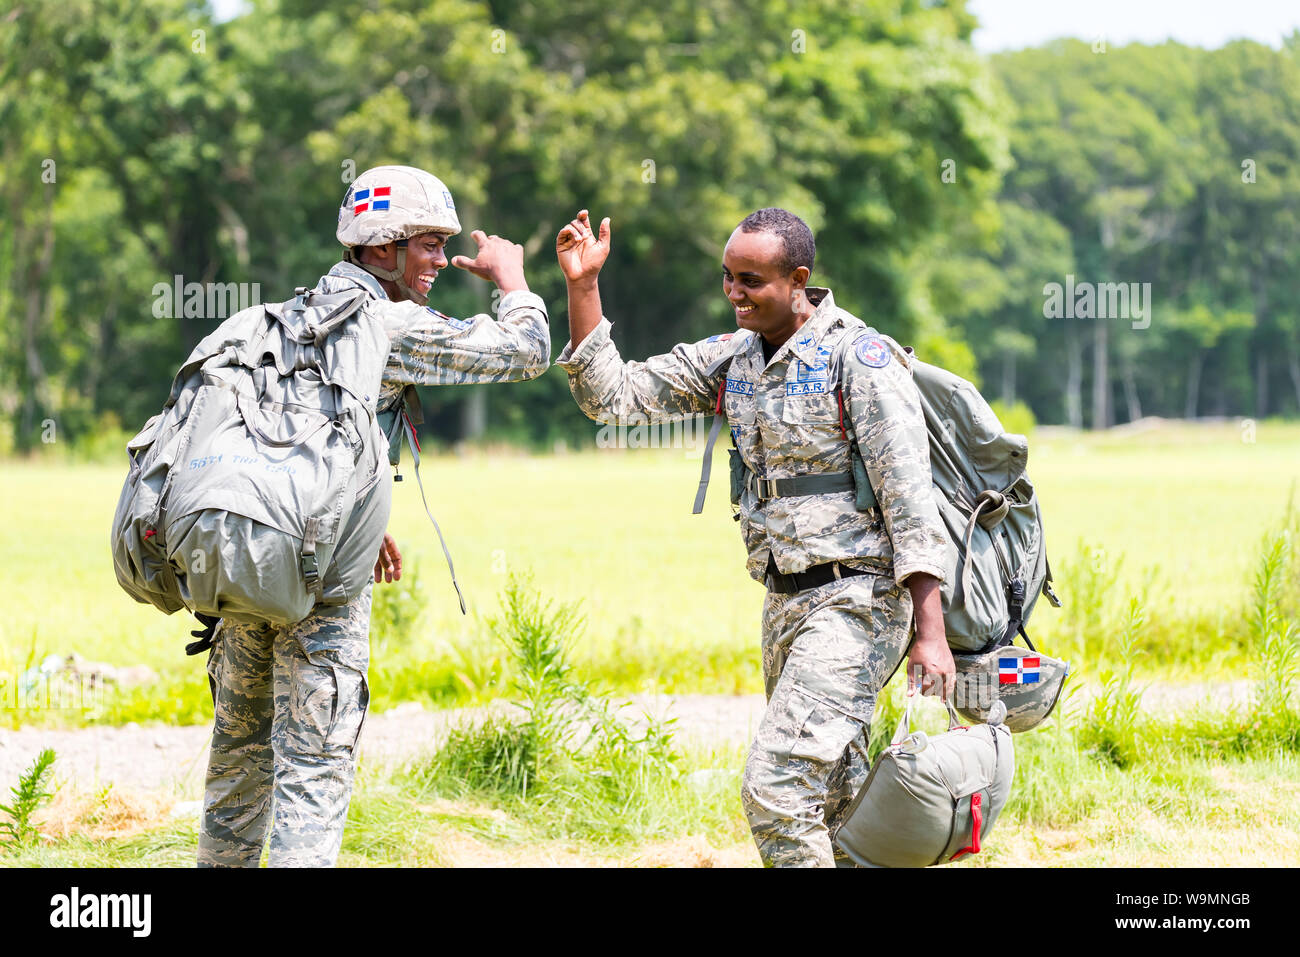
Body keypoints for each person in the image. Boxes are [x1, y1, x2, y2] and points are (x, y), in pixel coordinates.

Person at [554, 207, 953, 867]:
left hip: (859, 602)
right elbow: (613, 400)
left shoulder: (859, 357)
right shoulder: (732, 359)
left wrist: (931, 632)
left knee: (777, 790)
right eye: (727, 278)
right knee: (837, 801)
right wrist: (583, 286)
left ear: (798, 279)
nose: (734, 293)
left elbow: (910, 497)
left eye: (751, 280)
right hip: (784, 603)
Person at [198, 165, 551, 867]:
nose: (441, 261)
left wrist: (363, 512)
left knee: (237, 764)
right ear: (380, 250)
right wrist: (514, 282)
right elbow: (528, 352)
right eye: (426, 245)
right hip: (319, 584)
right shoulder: (385, 323)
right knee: (313, 771)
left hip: (244, 570)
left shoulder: (284, 317)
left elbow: (297, 442)